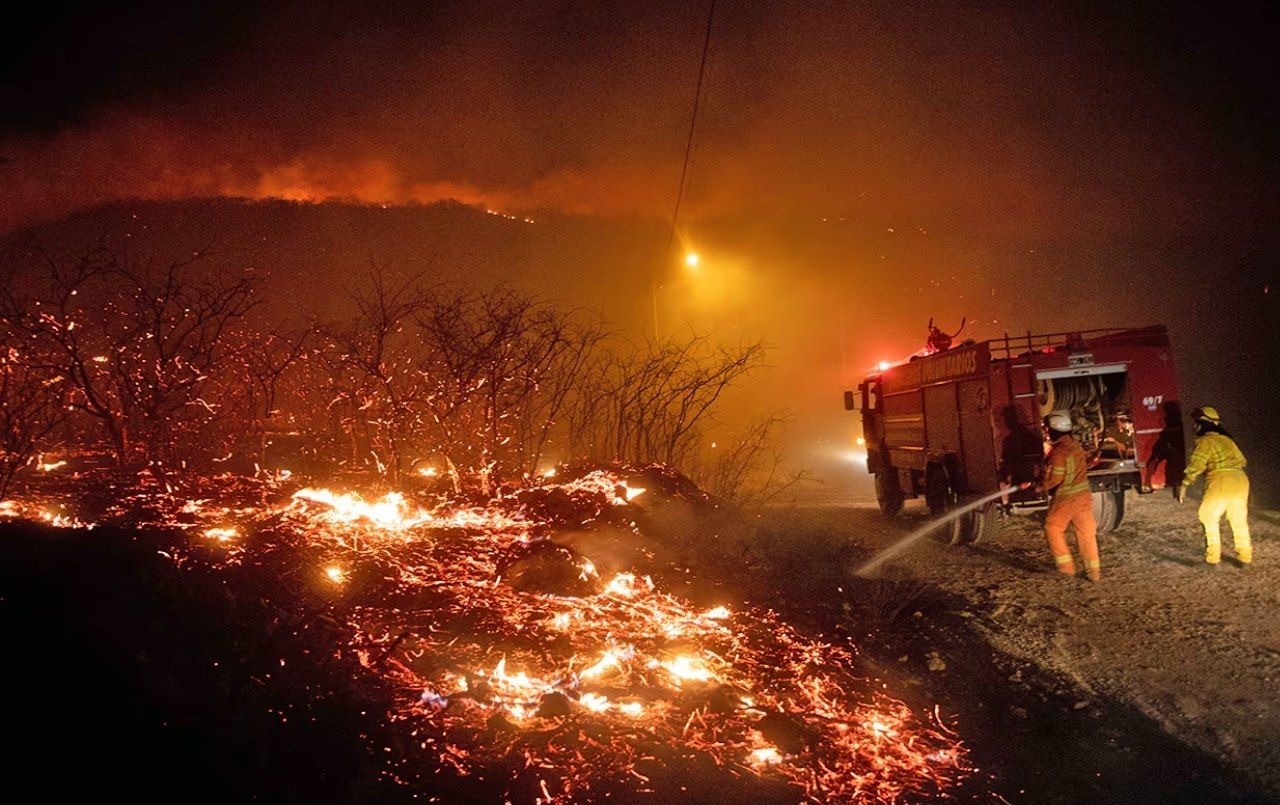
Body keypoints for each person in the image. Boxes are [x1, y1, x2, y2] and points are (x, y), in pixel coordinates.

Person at [1178, 406, 1250, 566]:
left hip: (1221, 480)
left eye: (1196, 422)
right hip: (1241, 479)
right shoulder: (1228, 441)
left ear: (1203, 423)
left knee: (1207, 515)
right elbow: (1242, 460)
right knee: (1238, 519)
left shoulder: (1205, 441)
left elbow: (1197, 464)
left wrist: (1185, 484)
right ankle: (1244, 557)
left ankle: (1212, 558)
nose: (1194, 426)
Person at [1035, 410, 1101, 582]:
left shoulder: (1059, 451)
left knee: (1053, 527)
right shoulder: (1075, 445)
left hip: (1067, 497)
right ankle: (1093, 573)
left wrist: (1041, 486)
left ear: (1053, 430)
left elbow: (1056, 479)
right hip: (1084, 496)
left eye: (1047, 429)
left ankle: (1066, 569)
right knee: (1086, 533)